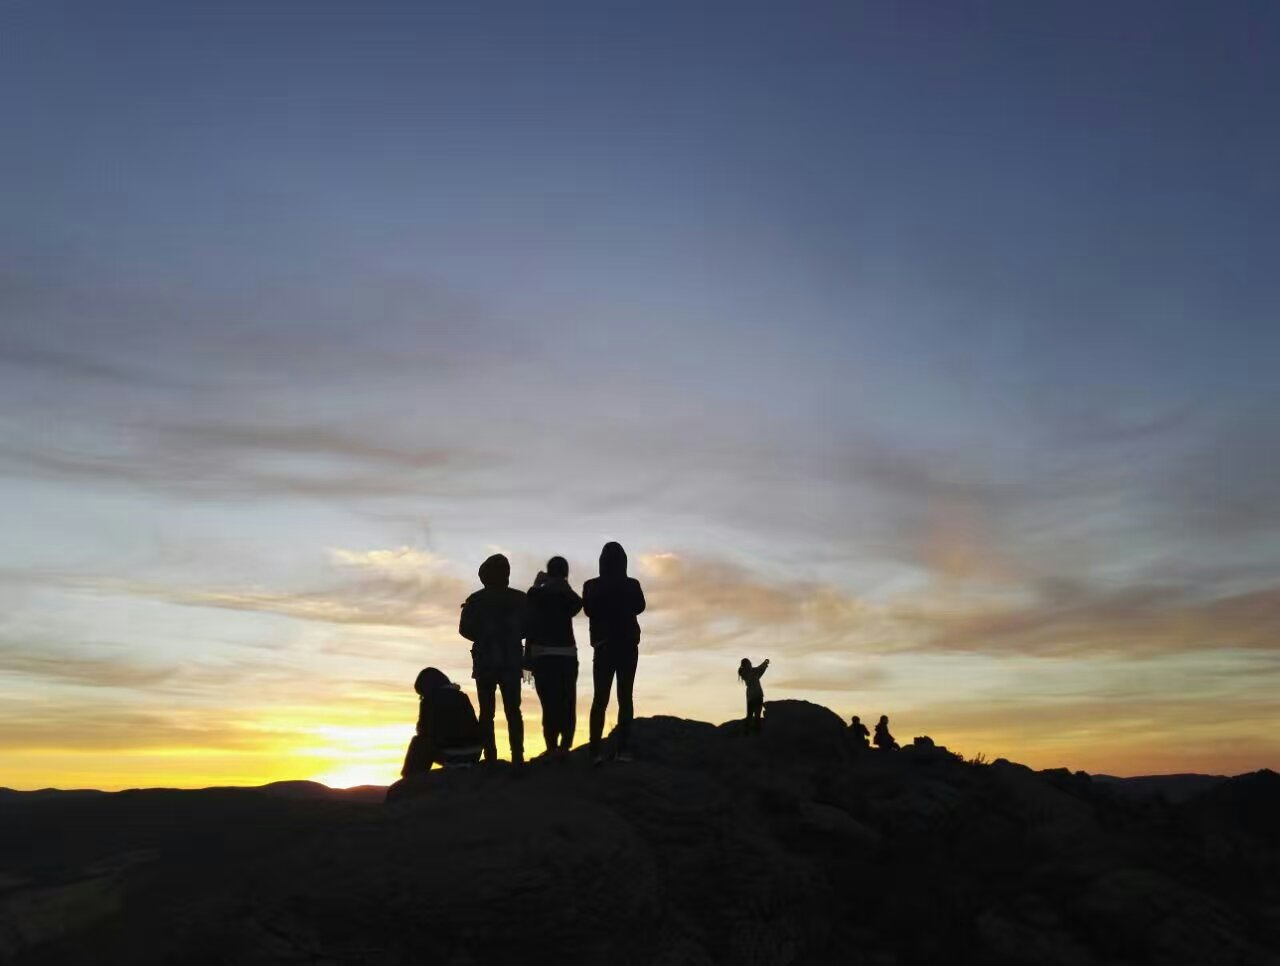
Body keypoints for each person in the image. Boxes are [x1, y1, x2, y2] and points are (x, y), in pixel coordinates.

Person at [459, 553, 528, 765]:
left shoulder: (476, 600)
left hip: (486, 661)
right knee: (513, 710)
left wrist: (484, 636)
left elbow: (464, 629)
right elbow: (529, 627)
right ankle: (517, 757)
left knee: (487, 712)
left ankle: (490, 758)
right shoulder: (519, 598)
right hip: (510, 661)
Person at [583, 541, 646, 765]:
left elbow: (588, 610)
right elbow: (640, 606)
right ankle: (624, 750)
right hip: (627, 645)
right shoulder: (631, 584)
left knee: (600, 698)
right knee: (625, 697)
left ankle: (594, 751)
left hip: (603, 645)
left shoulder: (591, 585)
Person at [526, 556, 583, 758]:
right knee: (568, 701)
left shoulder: (538, 594)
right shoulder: (566, 596)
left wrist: (537, 584)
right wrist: (562, 584)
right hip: (567, 655)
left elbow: (528, 607)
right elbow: (577, 604)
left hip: (541, 656)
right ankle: (564, 747)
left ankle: (552, 748)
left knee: (548, 704)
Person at [400, 667, 483, 774]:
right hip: (473, 754)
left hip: (452, 753)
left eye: (421, 694)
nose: (422, 697)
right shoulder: (462, 696)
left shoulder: (430, 700)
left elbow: (424, 730)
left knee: (419, 743)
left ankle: (410, 779)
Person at [737, 658, 770, 734]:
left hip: (750, 697)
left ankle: (748, 732)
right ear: (747, 665)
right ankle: (756, 733)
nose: (751, 664)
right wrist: (765, 663)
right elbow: (760, 669)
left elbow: (760, 669)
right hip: (757, 696)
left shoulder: (744, 672)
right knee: (756, 716)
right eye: (750, 663)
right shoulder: (752, 672)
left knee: (750, 716)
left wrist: (764, 664)